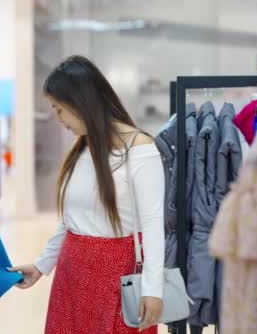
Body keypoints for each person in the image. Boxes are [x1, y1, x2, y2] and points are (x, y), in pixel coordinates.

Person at [9, 55, 165, 333]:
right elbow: (71, 221)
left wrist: (153, 289)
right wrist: (42, 264)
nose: (58, 119)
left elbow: (154, 224)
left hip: (116, 277)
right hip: (71, 274)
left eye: (59, 110)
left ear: (80, 102)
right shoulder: (83, 148)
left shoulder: (140, 149)